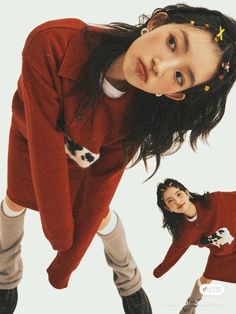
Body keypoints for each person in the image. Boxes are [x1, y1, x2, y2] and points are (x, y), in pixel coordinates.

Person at [1, 3, 236, 313]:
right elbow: (43, 140)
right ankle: (6, 278)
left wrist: (66, 263)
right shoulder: (53, 42)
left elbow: (103, 184)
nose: (159, 66)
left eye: (179, 77)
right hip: (30, 140)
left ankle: (130, 283)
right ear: (156, 23)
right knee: (14, 202)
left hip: (87, 160)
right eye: (172, 42)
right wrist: (60, 233)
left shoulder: (135, 118)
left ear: (173, 94)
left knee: (99, 216)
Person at [155, 178, 236, 313]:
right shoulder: (184, 232)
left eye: (178, 194)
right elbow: (174, 252)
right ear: (168, 208)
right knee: (205, 279)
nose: (177, 201)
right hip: (221, 255)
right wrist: (158, 272)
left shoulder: (214, 201)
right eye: (170, 201)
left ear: (186, 193)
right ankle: (189, 307)